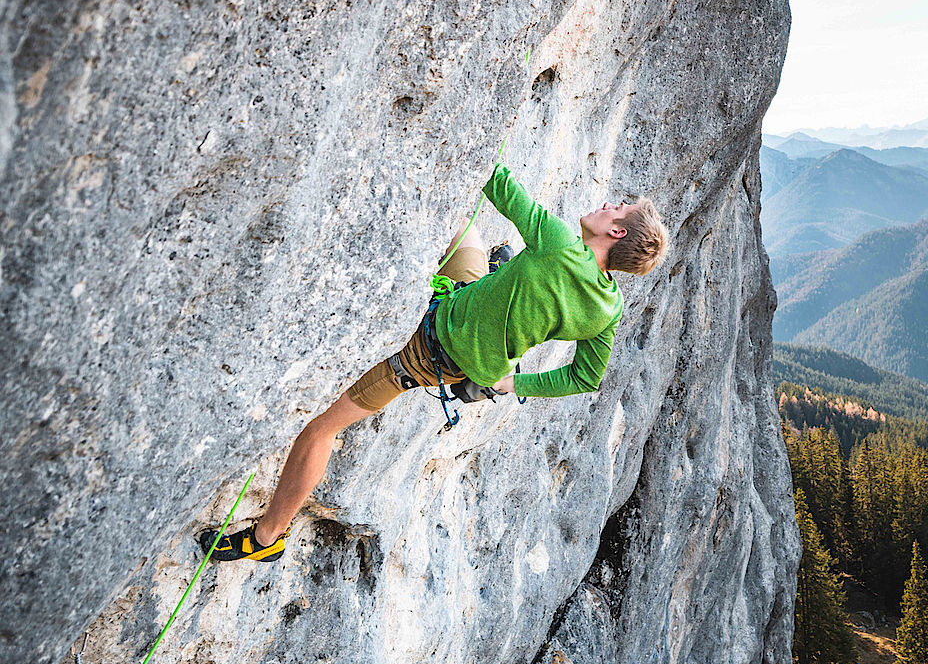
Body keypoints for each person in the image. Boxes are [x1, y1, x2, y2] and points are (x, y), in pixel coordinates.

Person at [199, 162, 669, 563]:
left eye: (616, 207)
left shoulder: (560, 243)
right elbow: (586, 377)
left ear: (617, 231)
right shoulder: (608, 308)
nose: (607, 203)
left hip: (424, 355)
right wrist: (512, 383)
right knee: (466, 232)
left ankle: (265, 539)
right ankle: (496, 274)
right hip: (473, 359)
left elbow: (496, 179)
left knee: (320, 430)